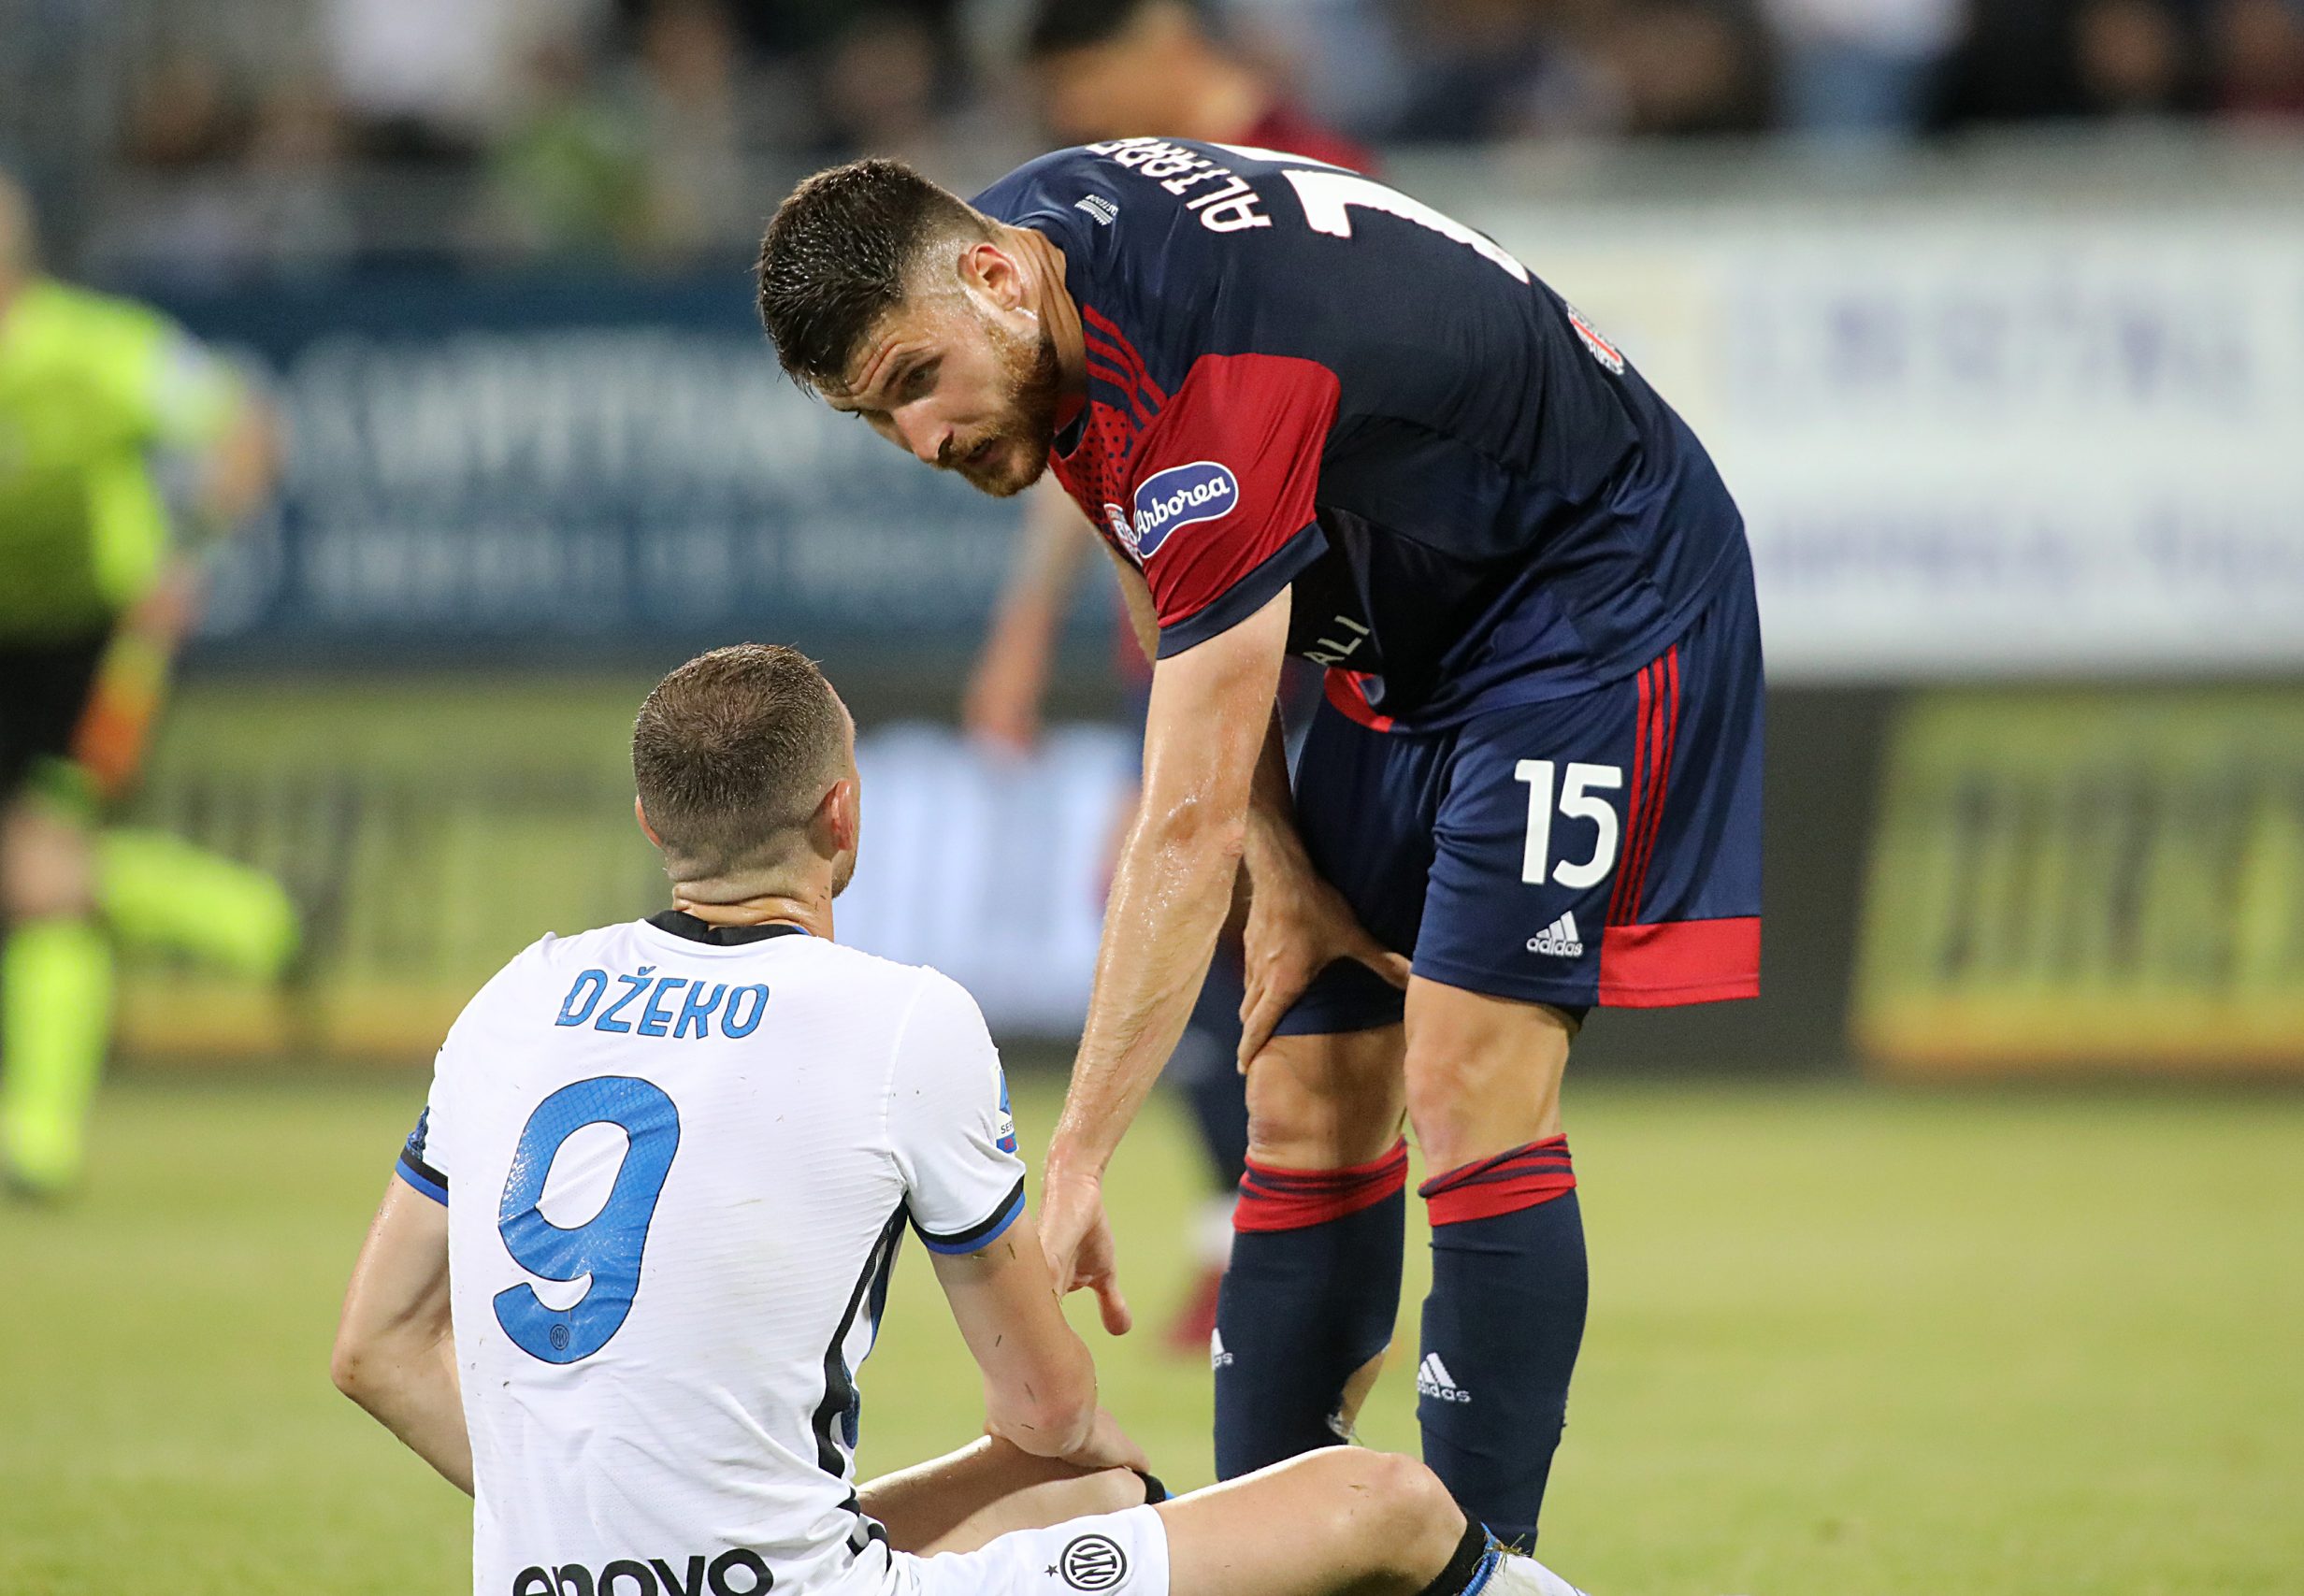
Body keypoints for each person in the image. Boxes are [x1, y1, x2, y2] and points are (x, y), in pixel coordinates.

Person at [755, 143, 1764, 1550]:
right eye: (878, 417)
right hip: (1403, 619)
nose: (921, 439)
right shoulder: (1043, 275)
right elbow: (1149, 556)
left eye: (918, 379)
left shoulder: (1211, 368)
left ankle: (1484, 1573)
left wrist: (1081, 1154)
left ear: (991, 278)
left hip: (1590, 594)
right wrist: (1282, 876)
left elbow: (1183, 819)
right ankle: (1278, 1564)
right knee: (1303, 1080)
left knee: (1466, 1076)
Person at [329, 641, 1589, 1596]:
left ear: (653, 824)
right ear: (843, 813)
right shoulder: (898, 1020)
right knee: (1380, 1502)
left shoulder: (517, 993)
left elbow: (374, 1350)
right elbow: (1043, 1407)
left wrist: (610, 1532)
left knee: (1093, 1497)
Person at [963, 0, 1375, 1356]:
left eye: (1081, 79)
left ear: (1158, 36)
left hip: (1308, 604)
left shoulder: (1311, 174)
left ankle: (1289, 1220)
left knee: (1224, 883)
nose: (1071, 113)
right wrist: (1024, 632)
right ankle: (1255, 1219)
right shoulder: (1103, 200)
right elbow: (1063, 422)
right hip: (1183, 612)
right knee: (1183, 889)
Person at [0, 168, 295, 1200]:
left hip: (100, 646)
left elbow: (243, 428)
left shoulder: (92, 350)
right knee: (38, 871)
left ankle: (39, 1138)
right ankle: (248, 919)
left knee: (41, 869)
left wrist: (191, 556)